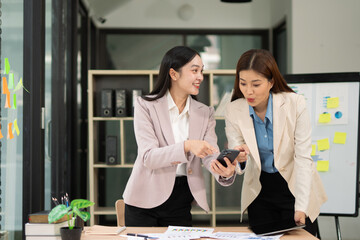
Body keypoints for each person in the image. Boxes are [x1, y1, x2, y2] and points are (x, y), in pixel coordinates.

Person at [123, 46, 236, 227]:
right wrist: (187, 146)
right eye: (194, 71)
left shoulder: (205, 113)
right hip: (144, 199)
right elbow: (149, 157)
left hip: (181, 199)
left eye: (202, 71)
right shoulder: (145, 106)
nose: (200, 76)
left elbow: (209, 154)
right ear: (174, 74)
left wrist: (224, 172)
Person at [224, 49, 327, 236]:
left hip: (295, 187)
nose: (248, 91)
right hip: (260, 191)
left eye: (256, 84)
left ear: (271, 82)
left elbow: (303, 158)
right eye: (243, 83)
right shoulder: (233, 109)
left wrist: (301, 206)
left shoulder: (295, 104)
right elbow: (237, 153)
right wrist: (240, 157)